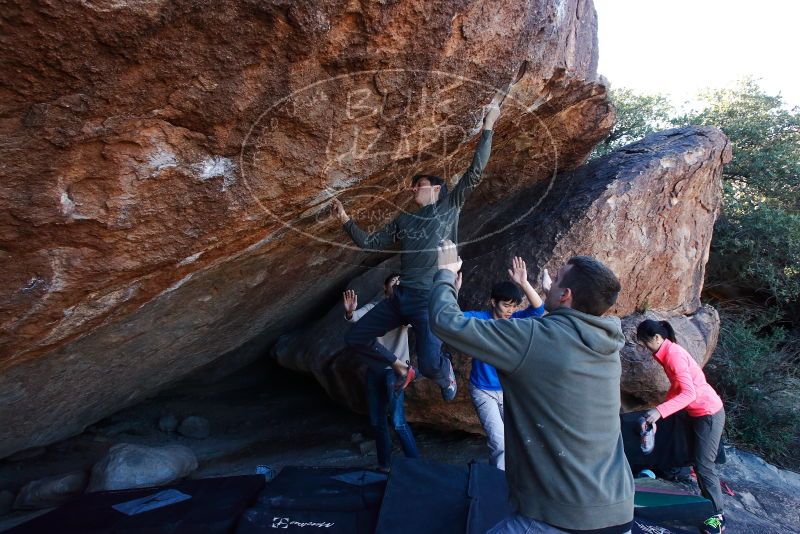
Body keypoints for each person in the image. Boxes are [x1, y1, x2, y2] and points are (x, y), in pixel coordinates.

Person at [430, 240, 634, 534]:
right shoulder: (605, 343)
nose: (547, 285)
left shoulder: (534, 338)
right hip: (618, 508)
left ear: (566, 295)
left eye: (555, 281)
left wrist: (446, 274)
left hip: (566, 518)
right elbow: (558, 334)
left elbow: (445, 322)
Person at [331, 98, 502, 401]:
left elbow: (475, 171)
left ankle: (443, 371)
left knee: (431, 364)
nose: (413, 189)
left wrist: (488, 125)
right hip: (401, 297)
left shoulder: (450, 205)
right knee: (355, 337)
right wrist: (345, 219)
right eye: (412, 186)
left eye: (419, 184)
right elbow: (369, 243)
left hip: (429, 298)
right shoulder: (404, 218)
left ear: (437, 188)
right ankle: (400, 367)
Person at [637, 320, 727, 534]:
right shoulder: (667, 353)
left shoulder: (673, 355)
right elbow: (678, 389)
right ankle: (665, 472)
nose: (644, 347)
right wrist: (661, 412)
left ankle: (718, 515)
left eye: (644, 342)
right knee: (681, 447)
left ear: (657, 338)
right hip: (693, 412)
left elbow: (689, 393)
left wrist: (659, 411)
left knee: (704, 466)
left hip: (708, 413)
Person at [460, 257, 549, 470]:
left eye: (513, 306)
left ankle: (519, 477)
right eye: (505, 305)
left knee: (519, 437)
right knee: (499, 441)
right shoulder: (480, 319)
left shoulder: (516, 320)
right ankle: (498, 485)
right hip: (484, 390)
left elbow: (539, 310)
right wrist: (452, 290)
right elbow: (451, 318)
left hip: (510, 390)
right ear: (493, 302)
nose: (509, 310)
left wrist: (524, 283)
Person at [343, 274, 419, 471]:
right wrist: (351, 313)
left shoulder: (404, 309)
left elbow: (412, 321)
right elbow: (357, 318)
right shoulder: (376, 308)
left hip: (396, 372)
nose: (398, 285)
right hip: (375, 370)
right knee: (377, 421)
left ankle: (418, 466)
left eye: (402, 283)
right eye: (394, 283)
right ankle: (384, 465)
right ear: (385, 289)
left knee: (398, 421)